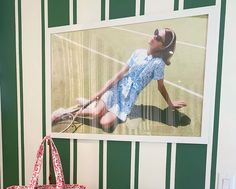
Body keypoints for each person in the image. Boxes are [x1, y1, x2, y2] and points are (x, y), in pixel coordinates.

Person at [52, 28, 186, 130]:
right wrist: (98, 94)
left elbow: (160, 87)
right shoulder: (137, 53)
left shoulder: (158, 64)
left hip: (127, 100)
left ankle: (94, 105)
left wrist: (170, 103)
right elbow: (119, 75)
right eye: (155, 32)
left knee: (106, 124)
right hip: (116, 89)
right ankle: (63, 113)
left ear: (163, 46)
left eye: (158, 37)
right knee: (95, 113)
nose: (153, 36)